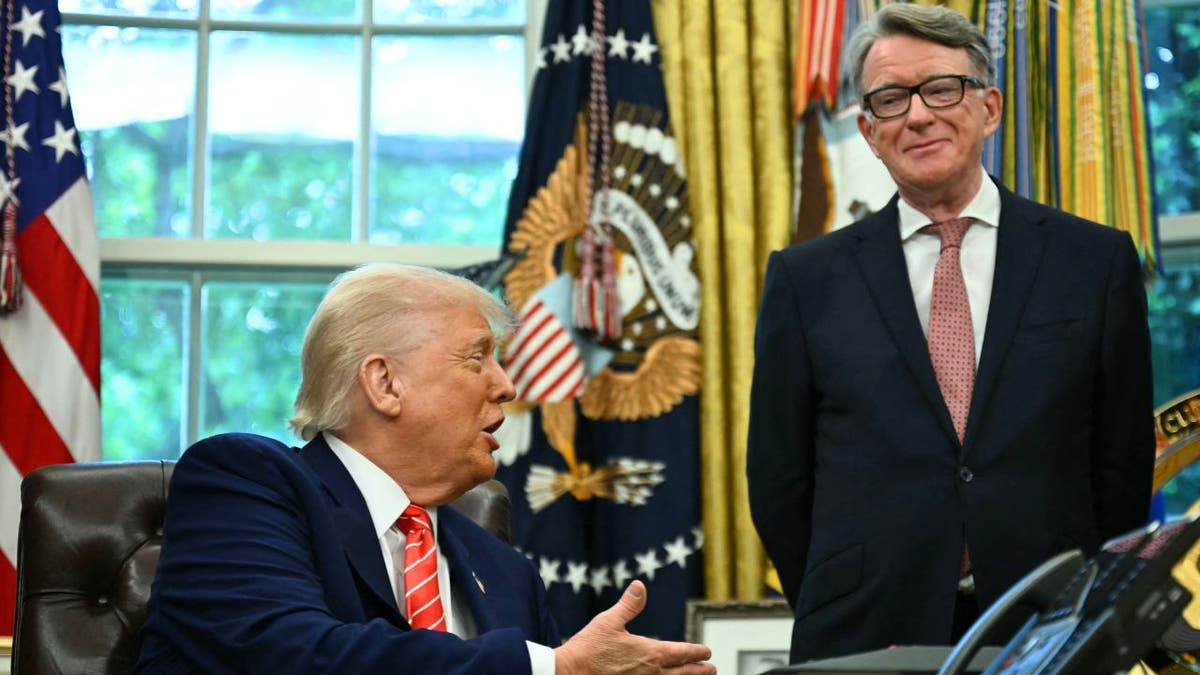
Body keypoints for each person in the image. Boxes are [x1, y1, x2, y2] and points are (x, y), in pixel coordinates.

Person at [746, 3, 1154, 664]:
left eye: (941, 88)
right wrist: (843, 592)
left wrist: (1083, 603)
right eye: (891, 99)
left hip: (1048, 628)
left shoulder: (1094, 261)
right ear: (869, 130)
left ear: (990, 108)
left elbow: (1122, 466)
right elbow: (778, 480)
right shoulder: (804, 279)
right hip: (865, 632)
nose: (917, 115)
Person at [136, 264, 715, 674]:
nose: (507, 386)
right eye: (478, 357)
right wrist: (550, 668)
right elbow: (292, 655)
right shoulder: (242, 482)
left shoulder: (506, 572)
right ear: (385, 383)